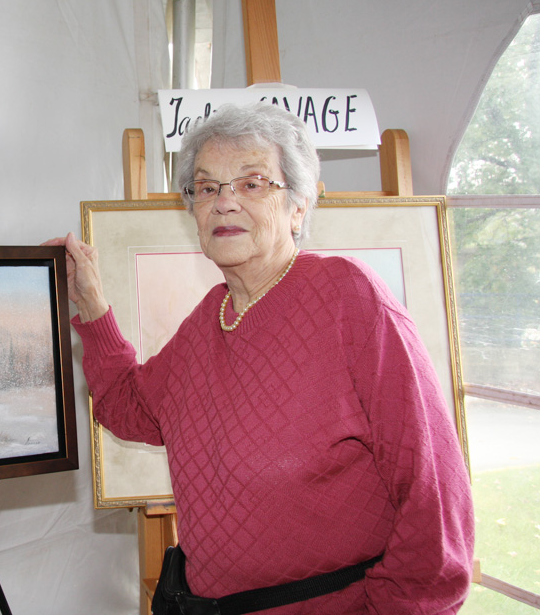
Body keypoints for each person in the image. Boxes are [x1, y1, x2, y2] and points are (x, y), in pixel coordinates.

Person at [45, 103, 474, 614]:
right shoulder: (214, 315)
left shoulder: (348, 299)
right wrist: (91, 305)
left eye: (252, 183)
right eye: (206, 188)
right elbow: (127, 408)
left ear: (298, 205)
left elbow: (435, 499)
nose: (224, 203)